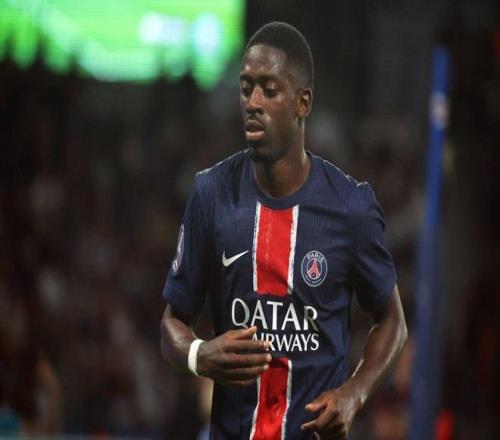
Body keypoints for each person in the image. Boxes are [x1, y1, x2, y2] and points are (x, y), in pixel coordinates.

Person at [161, 22, 407, 440]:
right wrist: (200, 354)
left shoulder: (350, 206)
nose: (253, 103)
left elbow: (393, 322)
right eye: (246, 89)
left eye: (269, 90)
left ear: (302, 103)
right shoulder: (211, 194)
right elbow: (172, 323)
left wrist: (354, 394)